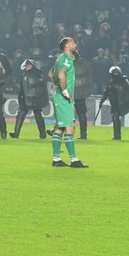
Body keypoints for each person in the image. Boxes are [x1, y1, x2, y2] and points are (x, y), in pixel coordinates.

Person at [48, 37, 88, 168]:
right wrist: (64, 90)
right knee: (70, 127)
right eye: (73, 42)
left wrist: (58, 86)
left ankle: (56, 159)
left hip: (58, 96)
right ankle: (74, 160)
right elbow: (61, 74)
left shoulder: (59, 58)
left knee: (60, 128)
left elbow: (50, 74)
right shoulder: (66, 59)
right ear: (67, 45)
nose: (75, 44)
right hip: (64, 97)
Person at [9, 59, 47, 139]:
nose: (27, 67)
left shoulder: (35, 73)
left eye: (29, 65)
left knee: (37, 115)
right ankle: (16, 132)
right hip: (26, 97)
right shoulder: (26, 74)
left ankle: (42, 133)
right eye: (26, 65)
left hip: (35, 97)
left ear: (33, 66)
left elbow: (42, 87)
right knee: (21, 114)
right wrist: (20, 97)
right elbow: (22, 87)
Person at [99, 66, 129, 141]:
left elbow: (127, 93)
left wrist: (102, 101)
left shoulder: (123, 82)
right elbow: (106, 93)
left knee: (115, 118)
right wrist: (101, 101)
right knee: (115, 118)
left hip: (120, 102)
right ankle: (117, 134)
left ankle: (117, 135)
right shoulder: (112, 83)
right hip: (114, 103)